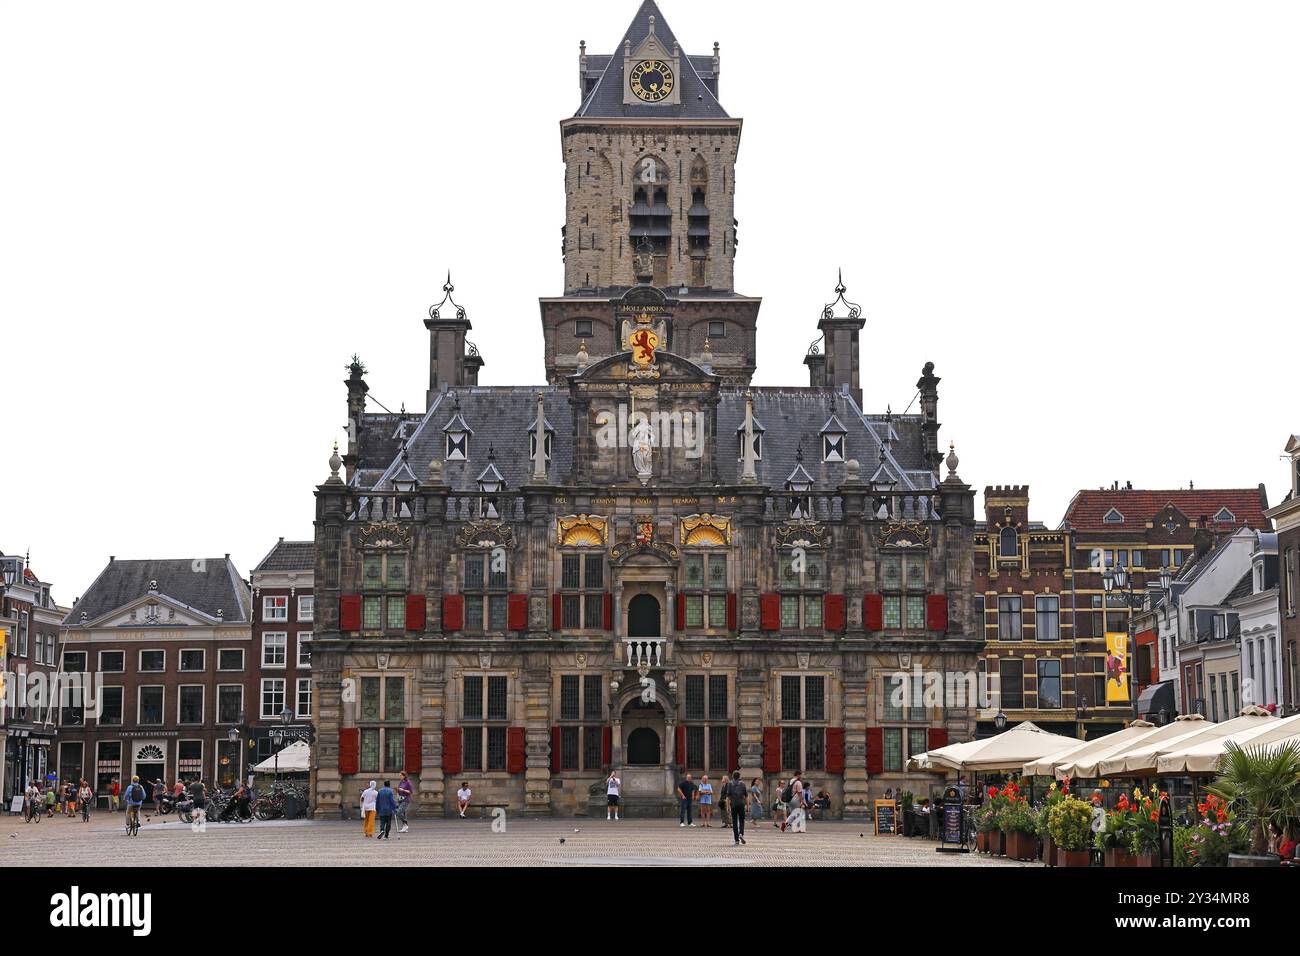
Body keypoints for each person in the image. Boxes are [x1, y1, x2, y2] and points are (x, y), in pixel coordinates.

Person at [727, 771, 749, 845]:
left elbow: (728, 796)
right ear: (739, 776)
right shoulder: (742, 784)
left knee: (734, 821)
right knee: (742, 820)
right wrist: (748, 806)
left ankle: (736, 840)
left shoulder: (730, 783)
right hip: (741, 804)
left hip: (733, 804)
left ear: (733, 776)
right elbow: (746, 796)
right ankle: (741, 834)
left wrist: (727, 807)